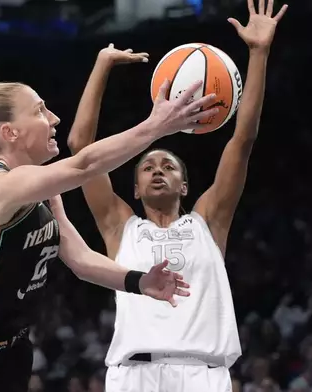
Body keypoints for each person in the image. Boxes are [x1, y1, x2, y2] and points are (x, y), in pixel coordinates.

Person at [0, 58, 222, 392]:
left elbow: (79, 259)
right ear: (10, 132)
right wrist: (156, 126)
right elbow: (83, 165)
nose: (54, 118)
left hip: (10, 353)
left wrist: (140, 281)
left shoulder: (42, 195)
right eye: (40, 111)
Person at [66, 0, 287, 390]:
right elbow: (80, 146)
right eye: (147, 167)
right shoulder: (120, 226)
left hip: (203, 373)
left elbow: (243, 140)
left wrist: (259, 52)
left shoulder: (209, 220)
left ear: (185, 186)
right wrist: (102, 64)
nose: (156, 171)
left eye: (168, 166)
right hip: (134, 374)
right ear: (134, 189)